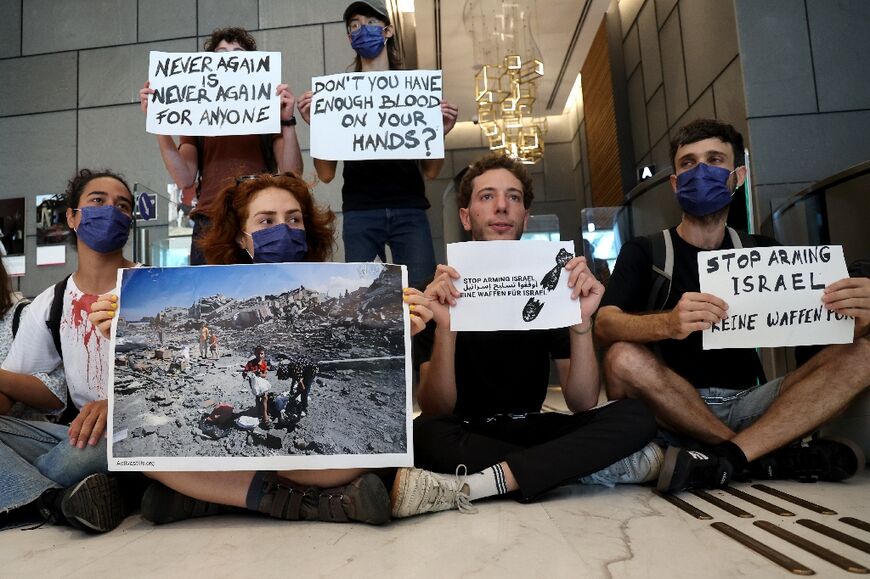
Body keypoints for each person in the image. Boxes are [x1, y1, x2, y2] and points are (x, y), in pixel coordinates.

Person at [91, 173, 434, 525]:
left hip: (252, 466)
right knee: (149, 462)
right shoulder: (218, 289)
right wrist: (112, 330)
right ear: (242, 236)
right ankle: (306, 502)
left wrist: (400, 329)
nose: (283, 228)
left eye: (294, 219)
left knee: (377, 456)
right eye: (266, 220)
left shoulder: (335, 288)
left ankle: (212, 499)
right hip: (295, 467)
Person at [595, 119, 870, 492]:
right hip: (673, 406)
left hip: (752, 404)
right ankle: (755, 455)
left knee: (862, 353)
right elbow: (606, 324)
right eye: (688, 163)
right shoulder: (647, 251)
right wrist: (668, 324)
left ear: (737, 176)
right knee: (621, 357)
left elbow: (820, 330)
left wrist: (858, 317)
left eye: (714, 160)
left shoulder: (763, 250)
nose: (701, 171)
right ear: (675, 183)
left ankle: (731, 456)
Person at [389, 153, 659, 518]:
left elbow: (581, 401)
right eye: (487, 196)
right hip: (468, 431)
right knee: (423, 434)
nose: (501, 206)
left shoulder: (553, 289)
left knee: (636, 414)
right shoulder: (437, 292)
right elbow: (437, 408)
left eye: (513, 197)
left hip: (532, 426)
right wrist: (446, 329)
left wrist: (581, 325)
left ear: (525, 217)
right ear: (466, 216)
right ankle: (587, 467)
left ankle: (486, 482)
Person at [0, 169, 138, 533]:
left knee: (84, 453)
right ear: (72, 217)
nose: (111, 210)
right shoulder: (49, 305)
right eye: (98, 201)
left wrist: (118, 404)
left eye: (122, 206)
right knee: (78, 450)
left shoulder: (155, 287)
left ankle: (36, 495)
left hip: (132, 426)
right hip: (79, 434)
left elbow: (182, 375)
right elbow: (11, 391)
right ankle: (70, 496)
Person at [297, 0, 459, 289]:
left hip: (409, 208)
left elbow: (432, 172)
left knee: (421, 294)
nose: (362, 30)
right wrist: (318, 128)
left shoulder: (414, 92)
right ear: (350, 39)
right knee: (364, 301)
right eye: (354, 26)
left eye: (370, 22)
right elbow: (326, 174)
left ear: (388, 30)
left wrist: (440, 133)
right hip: (361, 210)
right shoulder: (338, 95)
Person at [138, 27, 303, 265]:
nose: (229, 58)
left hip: (258, 217)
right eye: (221, 53)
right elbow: (184, 177)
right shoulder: (196, 116)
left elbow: (292, 174)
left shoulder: (269, 113)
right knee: (208, 296)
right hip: (211, 218)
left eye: (237, 52)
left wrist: (287, 120)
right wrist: (159, 123)